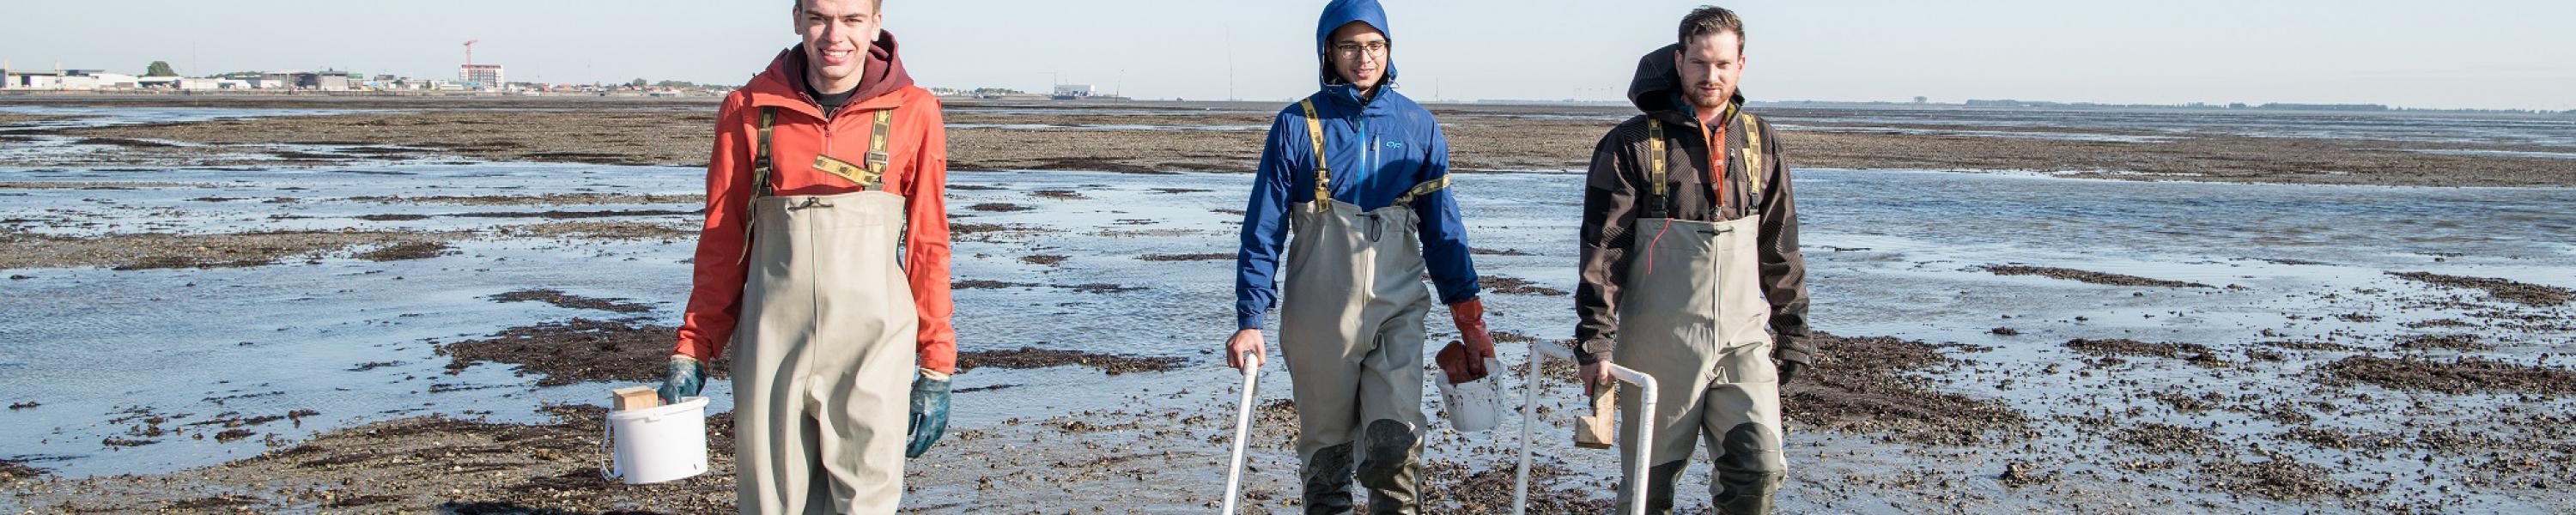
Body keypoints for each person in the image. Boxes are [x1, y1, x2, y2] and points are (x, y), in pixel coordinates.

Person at [657, 0, 955, 512]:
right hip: (772, 345)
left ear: (876, 24)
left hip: (875, 345)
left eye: (853, 20)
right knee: (772, 502)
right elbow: (723, 241)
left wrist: (937, 367)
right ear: (797, 19)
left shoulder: (915, 109)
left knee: (868, 502)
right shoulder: (747, 109)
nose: (834, 35)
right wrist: (693, 350)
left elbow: (929, 242)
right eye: (819, 18)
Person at [1221, 0, 1497, 512]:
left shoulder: (1419, 126)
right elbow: (1263, 229)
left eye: (1374, 45)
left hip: (1398, 306)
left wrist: (1469, 318)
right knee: (1328, 454)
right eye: (1350, 46)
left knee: (1396, 442)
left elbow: (1443, 230)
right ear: (1329, 51)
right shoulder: (1296, 125)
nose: (1363, 57)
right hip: (1318, 315)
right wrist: (1250, 318)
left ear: (1389, 50)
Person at [1571, 6, 1814, 514]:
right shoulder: (1630, 145)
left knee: (1760, 468)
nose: (1712, 75)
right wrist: (1596, 343)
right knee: (1647, 490)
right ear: (1679, 62)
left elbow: (1779, 245)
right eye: (1701, 63)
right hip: (1659, 347)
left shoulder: (1761, 140)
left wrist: (1794, 332)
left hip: (1744, 342)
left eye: (1724, 64)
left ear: (1741, 66)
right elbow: (1603, 249)